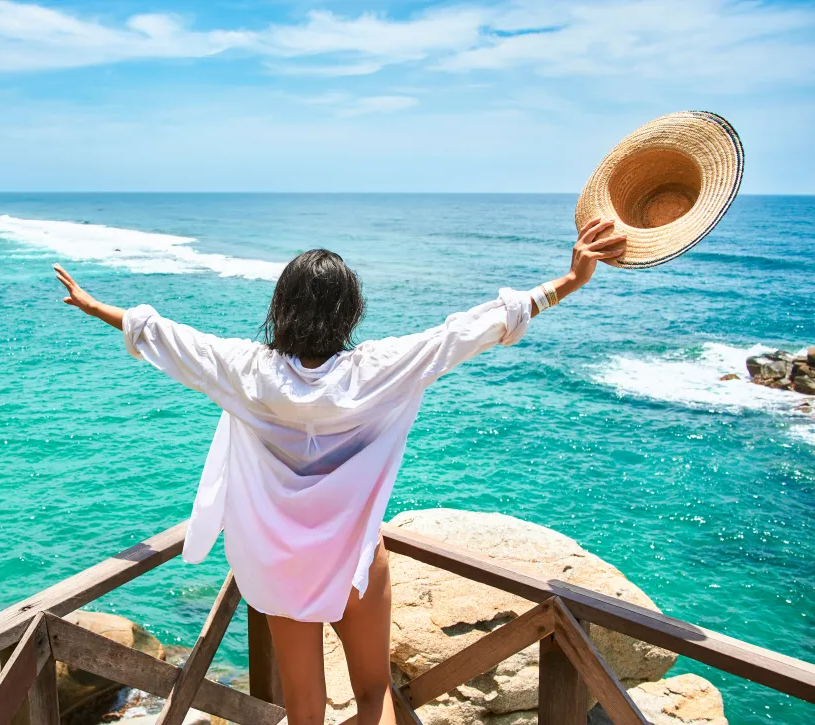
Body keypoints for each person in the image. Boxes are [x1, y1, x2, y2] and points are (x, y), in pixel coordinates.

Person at [54, 217, 626, 725]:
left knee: (305, 713)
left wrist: (92, 305)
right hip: (353, 561)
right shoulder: (377, 370)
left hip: (280, 566)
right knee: (374, 694)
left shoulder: (246, 371)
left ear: (282, 306)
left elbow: (164, 336)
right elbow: (467, 330)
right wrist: (568, 283)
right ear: (349, 310)